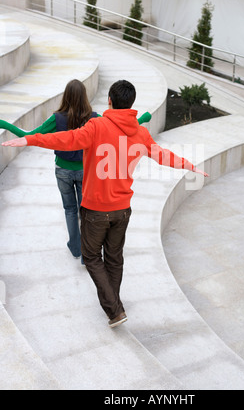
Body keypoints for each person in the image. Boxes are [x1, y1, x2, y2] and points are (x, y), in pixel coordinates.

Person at [2, 80, 209, 328]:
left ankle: (114, 309)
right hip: (122, 210)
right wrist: (189, 165)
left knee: (90, 257)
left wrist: (28, 140)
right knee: (114, 258)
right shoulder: (140, 133)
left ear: (109, 101)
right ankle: (115, 304)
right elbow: (162, 156)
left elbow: (66, 139)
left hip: (96, 210)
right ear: (131, 103)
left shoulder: (97, 126)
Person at [0, 79, 152, 264]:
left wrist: (4, 124)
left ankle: (75, 247)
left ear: (66, 97)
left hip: (62, 171)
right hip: (85, 173)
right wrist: (142, 119)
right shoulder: (95, 117)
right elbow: (120, 128)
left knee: (69, 209)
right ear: (85, 97)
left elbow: (28, 135)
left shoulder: (56, 118)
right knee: (86, 212)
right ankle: (87, 253)